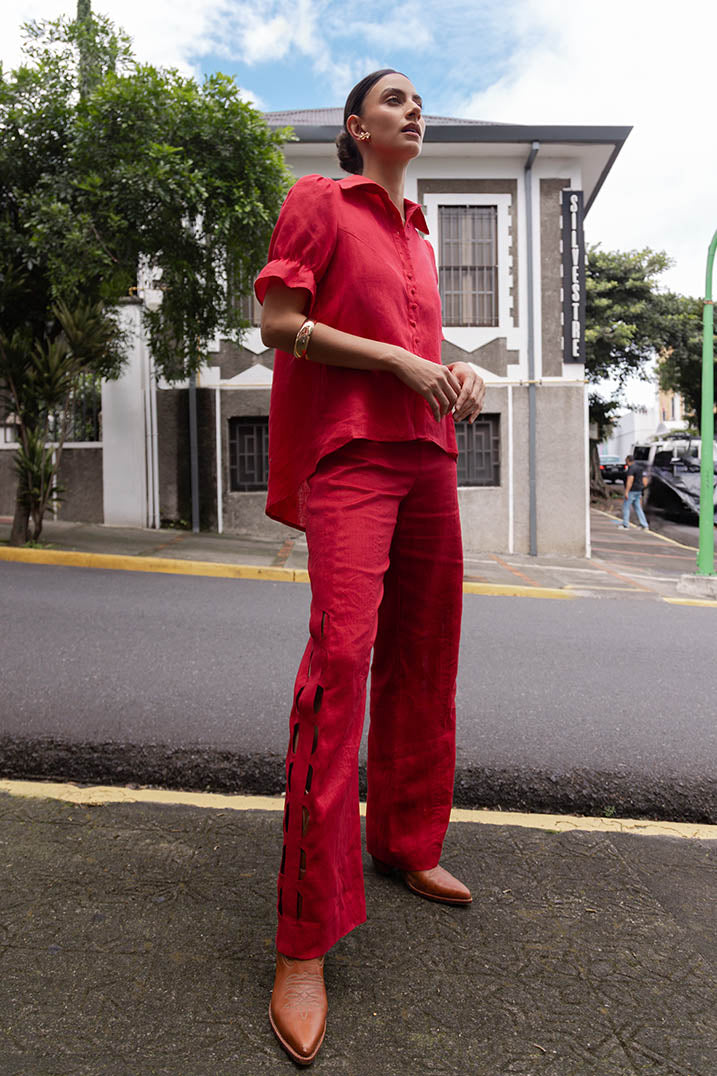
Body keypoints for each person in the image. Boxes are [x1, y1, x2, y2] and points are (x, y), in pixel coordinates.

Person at [254, 68, 486, 1066]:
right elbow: (280, 325)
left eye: (418, 102)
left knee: (426, 658)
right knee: (339, 666)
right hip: (351, 457)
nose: (412, 110)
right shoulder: (319, 199)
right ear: (356, 127)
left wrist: (456, 370)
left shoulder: (422, 235)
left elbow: (420, 347)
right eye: (393, 99)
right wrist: (395, 361)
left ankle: (404, 841)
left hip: (429, 459)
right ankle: (304, 936)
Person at [620, 454, 649, 529]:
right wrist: (642, 488)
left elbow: (630, 480)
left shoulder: (631, 469)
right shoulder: (640, 468)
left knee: (626, 507)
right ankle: (644, 524)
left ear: (628, 460)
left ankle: (625, 524)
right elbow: (645, 480)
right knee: (638, 507)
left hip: (632, 490)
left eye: (625, 460)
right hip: (639, 490)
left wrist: (626, 491)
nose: (625, 462)